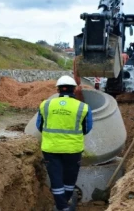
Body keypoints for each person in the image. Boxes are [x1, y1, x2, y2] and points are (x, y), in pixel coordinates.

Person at [35, 75, 93, 211]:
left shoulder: (46, 104)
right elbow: (87, 128)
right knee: (69, 179)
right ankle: (64, 206)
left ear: (58, 90)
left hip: (51, 149)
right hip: (73, 149)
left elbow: (40, 126)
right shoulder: (83, 107)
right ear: (74, 90)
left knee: (56, 179)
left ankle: (62, 206)